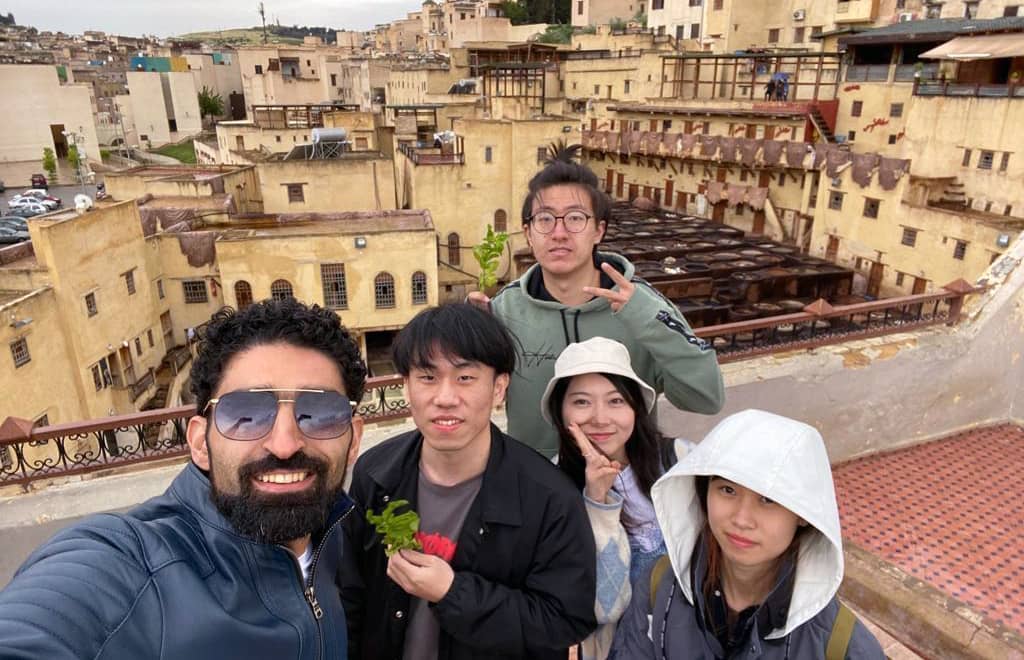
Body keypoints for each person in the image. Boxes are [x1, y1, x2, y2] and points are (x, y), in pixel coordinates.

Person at [0, 299, 367, 659]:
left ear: (353, 441)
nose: (284, 444)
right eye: (246, 414)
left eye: (321, 413)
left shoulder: (327, 530)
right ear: (200, 443)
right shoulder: (133, 564)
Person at [339, 303, 597, 659]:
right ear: (406, 387)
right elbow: (349, 596)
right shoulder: (375, 472)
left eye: (465, 378)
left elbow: (564, 621)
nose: (445, 398)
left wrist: (453, 592)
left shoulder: (550, 498)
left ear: (499, 388)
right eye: (427, 377)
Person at [471, 154, 725, 458]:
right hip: (537, 477)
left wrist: (647, 319)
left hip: (628, 476)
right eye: (545, 219)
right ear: (528, 233)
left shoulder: (643, 305)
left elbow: (706, 397)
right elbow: (471, 397)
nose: (559, 233)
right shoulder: (505, 311)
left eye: (576, 218)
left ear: (599, 231)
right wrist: (463, 335)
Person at [610, 410, 886, 659]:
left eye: (768, 499)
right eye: (727, 490)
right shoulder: (659, 588)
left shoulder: (838, 645)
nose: (741, 519)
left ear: (803, 514)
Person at [542, 337, 690, 660]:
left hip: (693, 641)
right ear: (561, 410)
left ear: (635, 407)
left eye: (615, 401)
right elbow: (605, 606)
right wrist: (598, 501)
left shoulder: (679, 460)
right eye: (582, 402)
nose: (600, 418)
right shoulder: (551, 489)